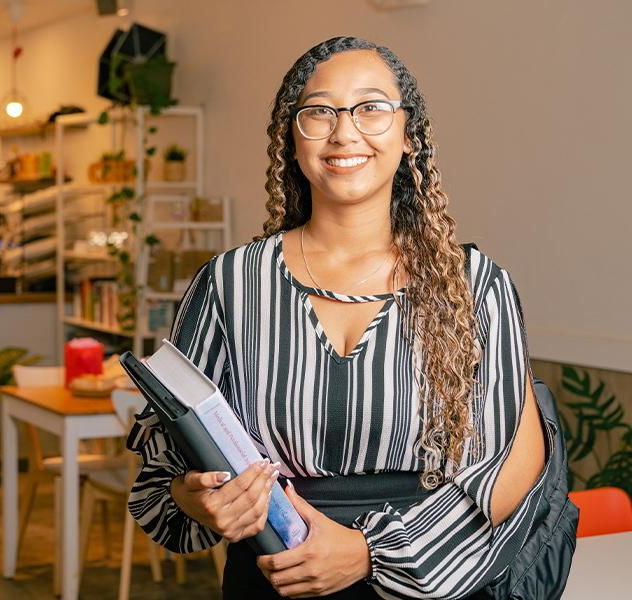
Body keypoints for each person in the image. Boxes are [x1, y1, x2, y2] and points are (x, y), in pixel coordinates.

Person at [127, 37, 548, 599]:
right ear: (292, 142)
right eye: (319, 111)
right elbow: (164, 474)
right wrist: (198, 498)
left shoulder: (473, 286)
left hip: (430, 577)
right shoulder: (229, 283)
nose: (344, 131)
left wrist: (371, 554)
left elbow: (509, 470)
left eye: (372, 108)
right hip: (275, 580)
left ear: (409, 137)